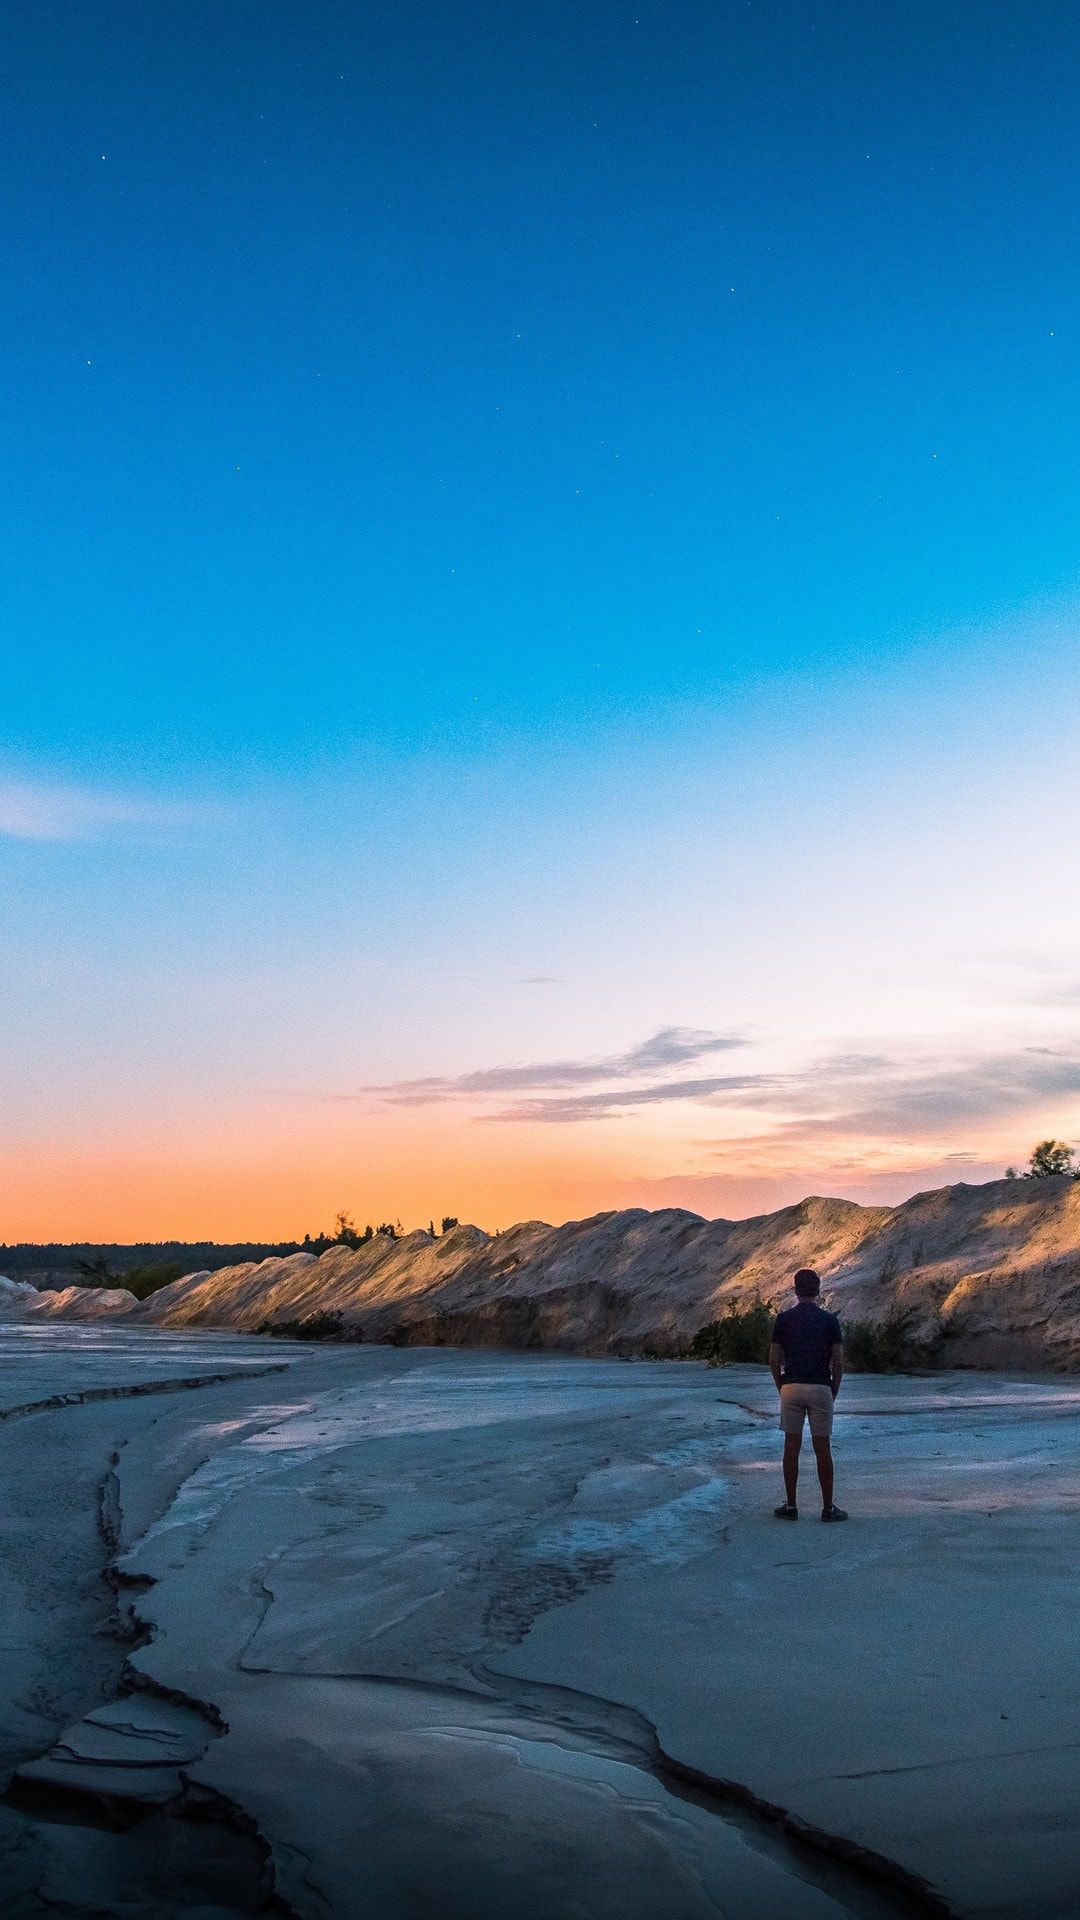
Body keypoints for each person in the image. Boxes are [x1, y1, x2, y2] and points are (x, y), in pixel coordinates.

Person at [769, 1268, 847, 1521]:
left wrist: (780, 1385)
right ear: (818, 1291)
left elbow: (774, 1359)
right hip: (820, 1386)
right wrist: (833, 1389)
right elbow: (838, 1361)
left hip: (791, 1386)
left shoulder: (783, 1319)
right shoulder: (830, 1321)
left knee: (791, 1447)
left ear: (795, 1290)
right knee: (822, 1448)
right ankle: (828, 1508)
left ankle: (791, 1505)